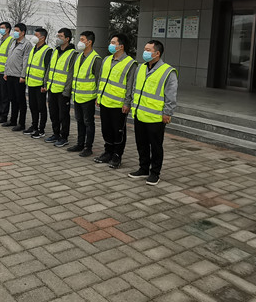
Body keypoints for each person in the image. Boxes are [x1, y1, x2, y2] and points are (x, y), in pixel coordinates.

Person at [129, 40, 178, 186]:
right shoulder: (141, 68)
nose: (145, 52)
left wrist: (167, 113)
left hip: (156, 117)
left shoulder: (168, 71)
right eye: (145, 49)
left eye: (148, 50)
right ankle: (143, 168)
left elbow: (171, 95)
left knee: (156, 147)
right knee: (141, 144)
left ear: (157, 53)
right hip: (140, 114)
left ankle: (155, 173)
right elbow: (135, 88)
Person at [95, 33, 137, 168]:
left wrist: (127, 103)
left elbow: (130, 85)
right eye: (111, 42)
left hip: (119, 105)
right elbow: (101, 79)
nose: (110, 45)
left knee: (118, 131)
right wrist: (99, 96)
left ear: (121, 46)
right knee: (106, 129)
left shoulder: (130, 63)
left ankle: (117, 155)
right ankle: (108, 152)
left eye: (113, 43)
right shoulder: (106, 59)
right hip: (105, 101)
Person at [67, 31, 102, 157]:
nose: (79, 42)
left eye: (82, 40)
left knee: (88, 123)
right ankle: (80, 144)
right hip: (77, 95)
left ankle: (88, 147)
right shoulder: (79, 56)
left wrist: (98, 97)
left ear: (89, 42)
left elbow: (99, 79)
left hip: (88, 97)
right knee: (79, 121)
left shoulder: (96, 59)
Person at [44, 28, 76, 147]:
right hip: (52, 88)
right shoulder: (55, 51)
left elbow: (71, 74)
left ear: (67, 39)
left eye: (61, 36)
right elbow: (49, 68)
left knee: (64, 115)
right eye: (58, 36)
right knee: (53, 113)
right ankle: (56, 134)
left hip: (63, 91)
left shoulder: (73, 54)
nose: (58, 38)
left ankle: (64, 137)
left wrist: (67, 90)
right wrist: (46, 83)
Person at [2, 23, 32, 131]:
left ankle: (21, 123)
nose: (15, 32)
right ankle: (13, 120)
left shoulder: (27, 44)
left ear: (23, 32)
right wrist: (6, 72)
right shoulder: (13, 42)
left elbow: (26, 61)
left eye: (17, 30)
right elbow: (9, 58)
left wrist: (23, 76)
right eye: (14, 30)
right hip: (10, 74)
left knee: (20, 100)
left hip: (19, 76)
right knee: (12, 99)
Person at [25, 27, 52, 138]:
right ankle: (34, 126)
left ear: (42, 38)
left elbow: (47, 69)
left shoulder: (47, 50)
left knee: (41, 107)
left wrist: (44, 84)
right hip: (31, 82)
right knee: (33, 106)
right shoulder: (34, 49)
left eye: (36, 35)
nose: (34, 37)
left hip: (40, 84)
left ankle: (41, 129)